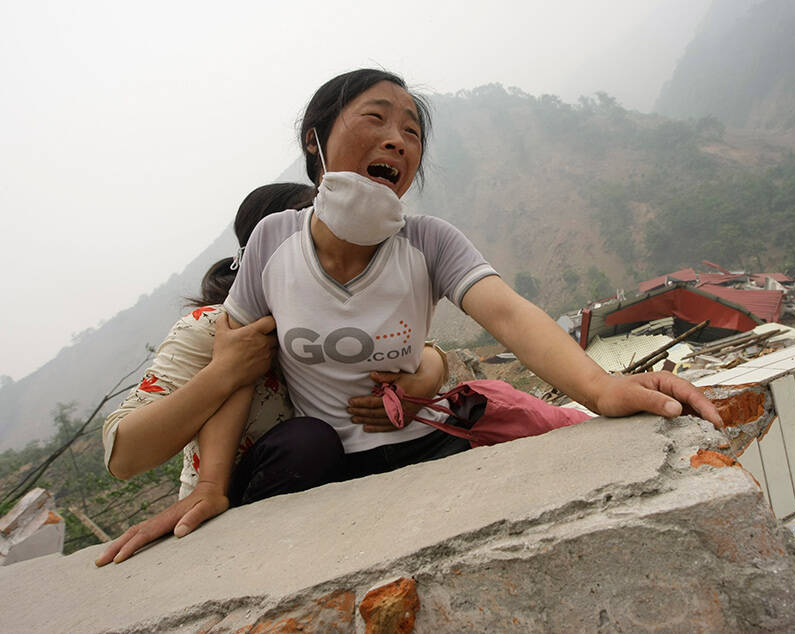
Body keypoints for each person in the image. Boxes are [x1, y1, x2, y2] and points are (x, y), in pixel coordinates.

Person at [219, 70, 721, 487]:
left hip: (431, 443)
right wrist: (208, 488)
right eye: (375, 117)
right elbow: (232, 370)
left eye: (412, 133)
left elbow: (508, 314)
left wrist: (601, 388)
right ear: (315, 138)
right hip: (331, 469)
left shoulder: (430, 241)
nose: (396, 139)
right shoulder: (272, 240)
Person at [96, 182, 448, 566]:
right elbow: (124, 456)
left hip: (334, 497)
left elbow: (418, 353)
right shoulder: (211, 331)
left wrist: (431, 369)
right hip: (234, 511)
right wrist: (224, 373)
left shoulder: (338, 320)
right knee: (308, 442)